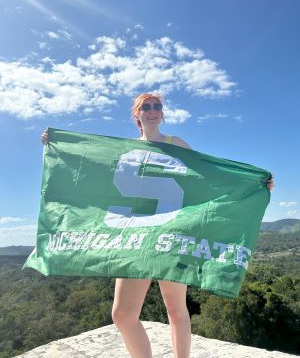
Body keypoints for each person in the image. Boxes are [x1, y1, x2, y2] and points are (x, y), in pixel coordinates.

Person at [41, 92, 274, 358]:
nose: (152, 110)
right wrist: (57, 145)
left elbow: (208, 178)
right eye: (146, 107)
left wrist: (254, 184)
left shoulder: (176, 143)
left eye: (157, 106)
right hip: (136, 237)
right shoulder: (125, 148)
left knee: (175, 308)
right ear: (137, 115)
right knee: (122, 314)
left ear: (162, 114)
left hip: (171, 233)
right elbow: (89, 168)